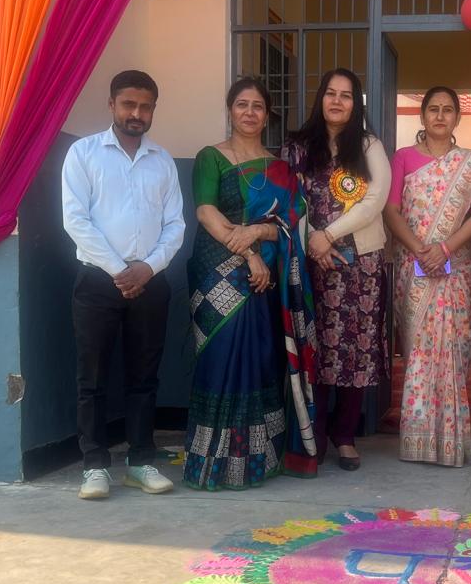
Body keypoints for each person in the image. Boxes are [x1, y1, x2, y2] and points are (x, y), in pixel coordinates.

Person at [185, 77, 318, 490]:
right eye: (242, 104)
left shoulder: (281, 170)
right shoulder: (211, 157)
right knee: (220, 357)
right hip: (216, 272)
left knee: (260, 360)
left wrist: (258, 234)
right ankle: (211, 463)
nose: (249, 112)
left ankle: (257, 459)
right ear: (230, 109)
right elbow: (206, 213)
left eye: (257, 106)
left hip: (263, 281)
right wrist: (250, 254)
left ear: (267, 115)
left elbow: (290, 224)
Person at [61, 70, 185, 500]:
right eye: (129, 104)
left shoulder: (162, 161)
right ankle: (94, 466)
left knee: (144, 377)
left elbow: (175, 225)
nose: (137, 113)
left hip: (150, 282)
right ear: (112, 104)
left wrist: (146, 269)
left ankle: (140, 461)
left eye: (145, 106)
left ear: (153, 110)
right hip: (97, 280)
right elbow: (76, 220)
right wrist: (120, 270)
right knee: (91, 378)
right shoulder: (83, 154)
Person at [282, 69, 391, 471]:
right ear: (321, 98)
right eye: (331, 93)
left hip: (360, 263)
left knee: (355, 351)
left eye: (346, 95)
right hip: (311, 260)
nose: (337, 101)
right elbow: (290, 200)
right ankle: (315, 433)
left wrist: (328, 234)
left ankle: (345, 436)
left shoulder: (368, 145)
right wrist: (314, 240)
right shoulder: (296, 146)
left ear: (355, 104)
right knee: (319, 347)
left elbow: (376, 198)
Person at [384, 86, 471, 467]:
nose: (440, 115)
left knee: (453, 349)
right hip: (414, 266)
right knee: (417, 350)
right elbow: (392, 210)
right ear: (423, 116)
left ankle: (450, 440)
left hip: (455, 268)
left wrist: (445, 249)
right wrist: (421, 249)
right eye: (433, 109)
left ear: (457, 117)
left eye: (448, 110)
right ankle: (417, 439)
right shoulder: (403, 157)